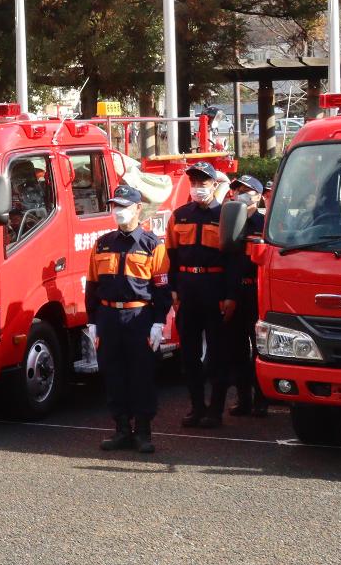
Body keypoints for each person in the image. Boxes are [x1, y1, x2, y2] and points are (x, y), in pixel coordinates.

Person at [88, 184, 170, 453]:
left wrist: (159, 321)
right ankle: (121, 429)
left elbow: (162, 287)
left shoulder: (152, 245)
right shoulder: (102, 244)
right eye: (115, 206)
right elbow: (91, 284)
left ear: (138, 209)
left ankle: (143, 431)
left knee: (141, 374)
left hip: (140, 316)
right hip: (108, 316)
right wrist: (92, 321)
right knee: (113, 373)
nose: (118, 211)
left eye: (123, 206)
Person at [167, 162, 228, 428]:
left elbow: (233, 261)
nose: (198, 187)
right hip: (188, 289)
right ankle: (196, 407)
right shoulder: (179, 215)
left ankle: (215, 410)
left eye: (203, 182)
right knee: (188, 355)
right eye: (194, 182)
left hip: (215, 288)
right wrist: (172, 289)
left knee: (218, 352)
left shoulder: (227, 215)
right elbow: (170, 255)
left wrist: (230, 295)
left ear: (215, 185)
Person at [222, 174, 269, 416]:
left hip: (258, 293)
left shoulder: (265, 223)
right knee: (237, 349)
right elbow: (228, 263)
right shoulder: (230, 223)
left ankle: (262, 399)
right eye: (238, 189)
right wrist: (228, 294)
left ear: (258, 196)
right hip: (236, 292)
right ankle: (243, 399)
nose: (240, 193)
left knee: (261, 348)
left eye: (247, 190)